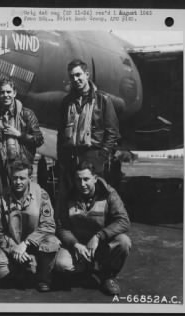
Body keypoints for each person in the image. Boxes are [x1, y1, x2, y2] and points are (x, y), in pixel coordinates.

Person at [55, 161, 131, 295]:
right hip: (79, 246)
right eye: (78, 180)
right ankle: (85, 268)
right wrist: (75, 244)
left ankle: (108, 275)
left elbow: (123, 221)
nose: (82, 184)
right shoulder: (67, 196)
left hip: (101, 245)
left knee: (123, 242)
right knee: (62, 265)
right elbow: (62, 226)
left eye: (86, 179)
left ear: (95, 178)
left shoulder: (109, 194)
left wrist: (98, 236)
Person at [56, 58, 120, 210]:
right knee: (71, 199)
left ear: (87, 74)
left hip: (93, 156)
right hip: (71, 157)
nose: (75, 79)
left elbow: (113, 132)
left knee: (97, 200)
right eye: (72, 76)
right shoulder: (67, 102)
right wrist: (61, 159)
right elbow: (61, 132)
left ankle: (98, 232)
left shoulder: (103, 100)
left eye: (78, 75)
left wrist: (101, 157)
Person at [0, 159, 61, 292]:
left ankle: (43, 277)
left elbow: (48, 225)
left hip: (36, 244)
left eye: (22, 178)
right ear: (10, 177)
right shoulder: (1, 198)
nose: (18, 182)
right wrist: (14, 248)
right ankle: (21, 271)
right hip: (13, 246)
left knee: (52, 243)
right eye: (15, 178)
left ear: (30, 178)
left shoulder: (41, 194)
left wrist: (26, 244)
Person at [0, 78, 44, 202]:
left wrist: (19, 134)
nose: (5, 95)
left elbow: (38, 140)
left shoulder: (27, 114)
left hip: (20, 167)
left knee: (23, 203)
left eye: (8, 92)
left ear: (14, 93)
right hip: (0, 168)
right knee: (0, 204)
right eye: (2, 92)